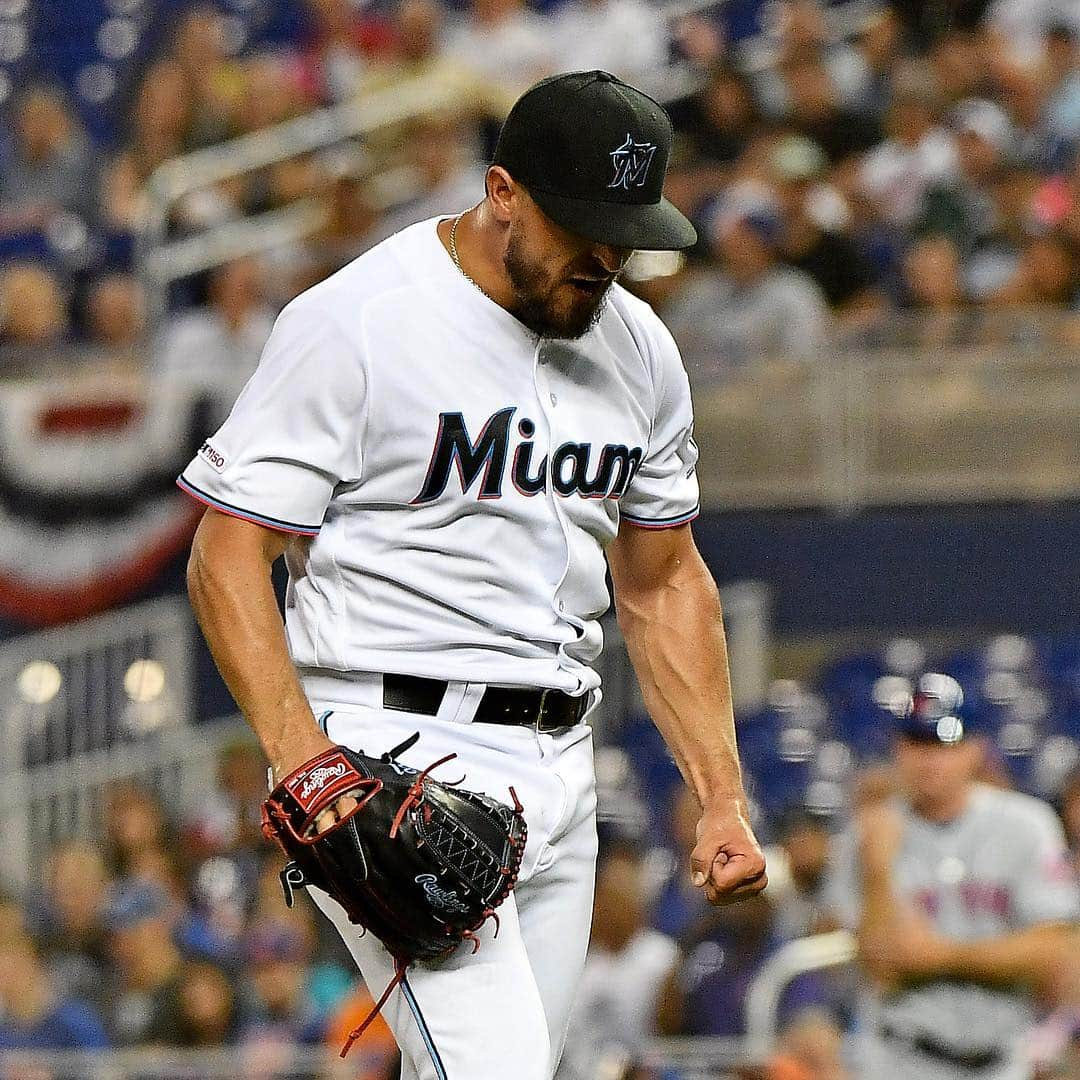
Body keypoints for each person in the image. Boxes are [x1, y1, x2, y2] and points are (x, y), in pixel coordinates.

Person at [179, 69, 767, 1080]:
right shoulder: (360, 322)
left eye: (624, 234)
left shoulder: (641, 352)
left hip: (563, 771)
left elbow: (664, 582)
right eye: (580, 227)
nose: (606, 258)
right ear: (502, 192)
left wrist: (719, 794)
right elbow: (226, 554)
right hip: (390, 758)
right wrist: (303, 755)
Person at [824, 673, 1080, 1080]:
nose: (929, 760)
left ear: (977, 749)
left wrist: (940, 956)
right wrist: (876, 870)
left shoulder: (1027, 825)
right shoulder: (867, 835)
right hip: (897, 1059)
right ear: (898, 749)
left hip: (1002, 1061)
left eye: (944, 744)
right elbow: (882, 967)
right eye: (916, 743)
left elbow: (1057, 950)